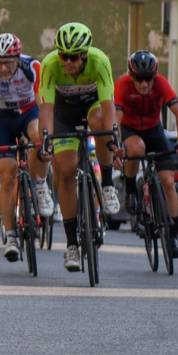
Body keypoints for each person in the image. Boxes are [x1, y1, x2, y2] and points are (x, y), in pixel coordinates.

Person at [38, 22, 120, 273]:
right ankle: (72, 243)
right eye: (63, 55)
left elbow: (108, 107)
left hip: (92, 106)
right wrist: (46, 139)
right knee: (65, 170)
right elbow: (47, 109)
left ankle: (106, 184)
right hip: (64, 113)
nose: (67, 62)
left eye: (73, 57)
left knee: (101, 125)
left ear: (84, 55)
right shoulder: (50, 65)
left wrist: (113, 138)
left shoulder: (100, 61)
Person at [0, 32, 52, 263]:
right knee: (7, 173)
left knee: (37, 135)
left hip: (29, 112)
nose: (5, 68)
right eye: (0, 63)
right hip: (3, 119)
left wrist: (47, 134)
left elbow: (43, 99)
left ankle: (40, 185)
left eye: (9, 63)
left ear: (18, 58)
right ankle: (10, 236)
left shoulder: (33, 66)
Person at [114, 50, 178, 258]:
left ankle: (173, 235)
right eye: (139, 79)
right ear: (131, 76)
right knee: (137, 148)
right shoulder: (122, 84)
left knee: (168, 181)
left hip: (154, 130)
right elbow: (116, 119)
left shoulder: (161, 83)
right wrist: (114, 147)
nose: (144, 84)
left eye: (148, 79)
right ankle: (131, 188)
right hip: (130, 129)